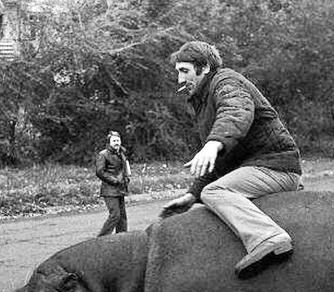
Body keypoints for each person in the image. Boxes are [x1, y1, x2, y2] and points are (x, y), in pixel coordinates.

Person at [162, 41, 302, 278]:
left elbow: (236, 112)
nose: (179, 79)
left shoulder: (227, 82)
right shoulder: (205, 100)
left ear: (204, 67)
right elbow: (221, 161)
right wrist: (192, 194)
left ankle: (268, 238)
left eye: (184, 71)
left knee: (214, 193)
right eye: (178, 72)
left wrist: (212, 143)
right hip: (256, 168)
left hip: (274, 167)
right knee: (206, 193)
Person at [96, 130, 131, 237]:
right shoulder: (103, 154)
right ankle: (101, 238)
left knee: (122, 216)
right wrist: (114, 180)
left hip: (121, 188)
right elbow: (99, 172)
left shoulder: (121, 153)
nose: (117, 143)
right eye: (114, 140)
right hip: (109, 190)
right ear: (109, 142)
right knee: (115, 215)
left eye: (118, 140)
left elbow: (125, 168)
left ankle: (122, 237)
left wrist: (126, 178)